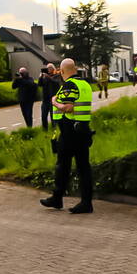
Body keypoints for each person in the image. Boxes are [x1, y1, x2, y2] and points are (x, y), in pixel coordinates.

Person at [40, 58, 94, 214]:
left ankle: (57, 198)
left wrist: (55, 102)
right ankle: (86, 202)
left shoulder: (69, 85)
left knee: (62, 166)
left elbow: (68, 108)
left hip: (70, 131)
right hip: (83, 129)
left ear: (62, 71)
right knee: (83, 167)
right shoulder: (84, 84)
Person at [38, 63, 61, 131]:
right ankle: (45, 130)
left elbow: (56, 82)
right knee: (43, 116)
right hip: (45, 99)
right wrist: (40, 77)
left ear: (53, 68)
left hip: (53, 99)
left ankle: (55, 130)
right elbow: (39, 84)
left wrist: (48, 77)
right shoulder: (45, 77)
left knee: (53, 116)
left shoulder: (57, 75)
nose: (48, 69)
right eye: (47, 68)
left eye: (50, 68)